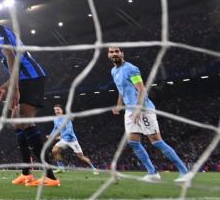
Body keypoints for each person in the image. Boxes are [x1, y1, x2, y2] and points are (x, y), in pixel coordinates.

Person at [0, 6, 59, 187]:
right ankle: (27, 173)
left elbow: (11, 55)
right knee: (16, 121)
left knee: (24, 120)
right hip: (25, 78)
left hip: (32, 77)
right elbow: (14, 62)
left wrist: (14, 87)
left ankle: (51, 175)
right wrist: (4, 87)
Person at [109, 47, 194, 183]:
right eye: (111, 52)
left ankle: (184, 172)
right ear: (108, 55)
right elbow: (121, 90)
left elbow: (141, 89)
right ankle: (152, 173)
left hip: (143, 109)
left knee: (156, 141)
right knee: (133, 142)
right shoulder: (114, 71)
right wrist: (119, 105)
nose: (114, 54)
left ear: (122, 53)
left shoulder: (131, 69)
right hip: (130, 111)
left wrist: (138, 109)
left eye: (116, 51)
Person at [48, 105, 98, 174]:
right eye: (55, 110)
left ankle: (94, 168)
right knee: (54, 150)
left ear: (62, 110)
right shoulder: (55, 119)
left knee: (81, 157)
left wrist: (60, 136)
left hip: (72, 141)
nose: (56, 111)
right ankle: (61, 168)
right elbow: (55, 128)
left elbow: (69, 131)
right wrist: (51, 135)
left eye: (58, 109)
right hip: (64, 140)